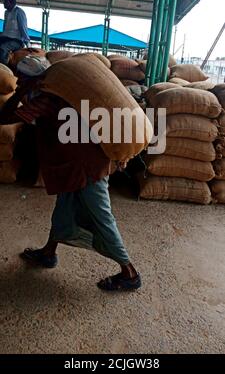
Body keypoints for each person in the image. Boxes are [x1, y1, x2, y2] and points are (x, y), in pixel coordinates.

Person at [0, 77, 141, 292]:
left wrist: (20, 93)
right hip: (81, 165)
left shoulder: (48, 100)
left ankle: (129, 273)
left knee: (102, 218)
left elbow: (5, 116)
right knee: (63, 210)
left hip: (85, 170)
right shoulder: (76, 96)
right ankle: (48, 252)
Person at [0, 0, 30, 65]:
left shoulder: (19, 12)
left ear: (9, 2)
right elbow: (5, 28)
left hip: (16, 41)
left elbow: (23, 27)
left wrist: (27, 42)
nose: (3, 3)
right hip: (6, 38)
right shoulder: (6, 13)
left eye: (4, 1)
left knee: (2, 49)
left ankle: (4, 68)